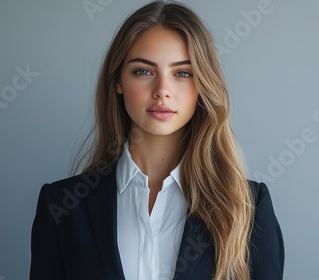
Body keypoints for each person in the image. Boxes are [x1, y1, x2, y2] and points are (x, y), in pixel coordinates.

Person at [29, 1, 284, 279]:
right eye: (143, 71)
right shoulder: (62, 205)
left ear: (203, 86)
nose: (162, 91)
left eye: (183, 73)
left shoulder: (247, 207)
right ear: (118, 81)